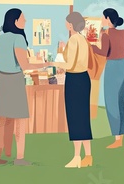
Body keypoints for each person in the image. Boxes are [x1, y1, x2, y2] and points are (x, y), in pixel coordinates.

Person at [0, 9, 49, 166]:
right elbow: (25, 65)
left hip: (2, 79)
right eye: (23, 18)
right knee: (20, 121)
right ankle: (19, 158)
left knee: (4, 120)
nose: (25, 21)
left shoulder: (0, 39)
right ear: (15, 21)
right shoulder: (18, 38)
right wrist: (46, 64)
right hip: (14, 80)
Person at [51, 12, 93, 168]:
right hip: (84, 78)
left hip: (74, 79)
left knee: (75, 117)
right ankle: (88, 156)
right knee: (83, 117)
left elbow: (69, 65)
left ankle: (76, 157)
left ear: (70, 24)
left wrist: (54, 62)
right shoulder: (83, 39)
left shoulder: (73, 40)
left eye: (66, 22)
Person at [92, 8, 124, 148]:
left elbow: (103, 52)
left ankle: (117, 138)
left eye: (103, 17)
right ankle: (120, 137)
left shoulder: (106, 34)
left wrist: (91, 46)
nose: (102, 19)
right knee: (120, 102)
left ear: (108, 19)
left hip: (113, 68)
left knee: (111, 103)